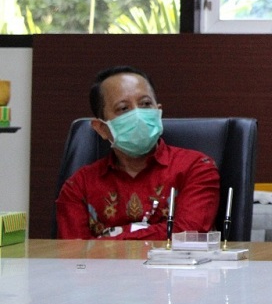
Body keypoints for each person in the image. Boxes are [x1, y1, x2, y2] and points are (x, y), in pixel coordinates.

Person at [56, 66, 220, 239]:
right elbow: (73, 254)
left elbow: (188, 234)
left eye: (146, 104)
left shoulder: (196, 167)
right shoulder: (79, 187)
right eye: (123, 108)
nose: (138, 115)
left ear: (158, 112)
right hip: (103, 268)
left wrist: (112, 237)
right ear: (102, 128)